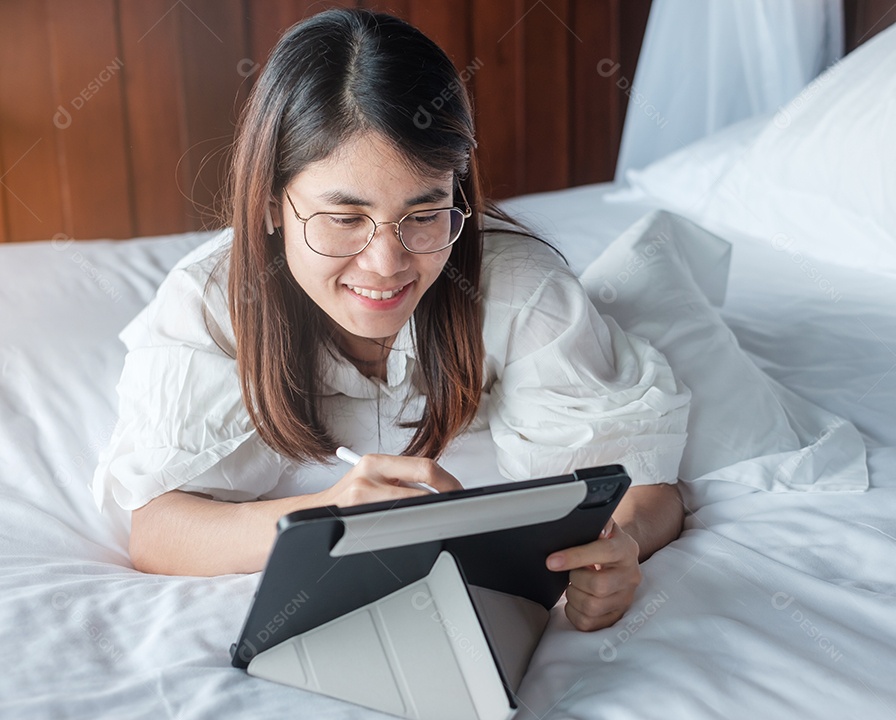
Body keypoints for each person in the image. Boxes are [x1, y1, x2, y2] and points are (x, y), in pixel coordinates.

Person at [92, 8, 690, 632]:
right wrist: (327, 520)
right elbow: (156, 529)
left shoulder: (518, 290)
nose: (386, 264)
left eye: (425, 212)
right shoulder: (212, 302)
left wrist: (620, 543)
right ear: (271, 203)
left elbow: (649, 486)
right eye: (346, 219)